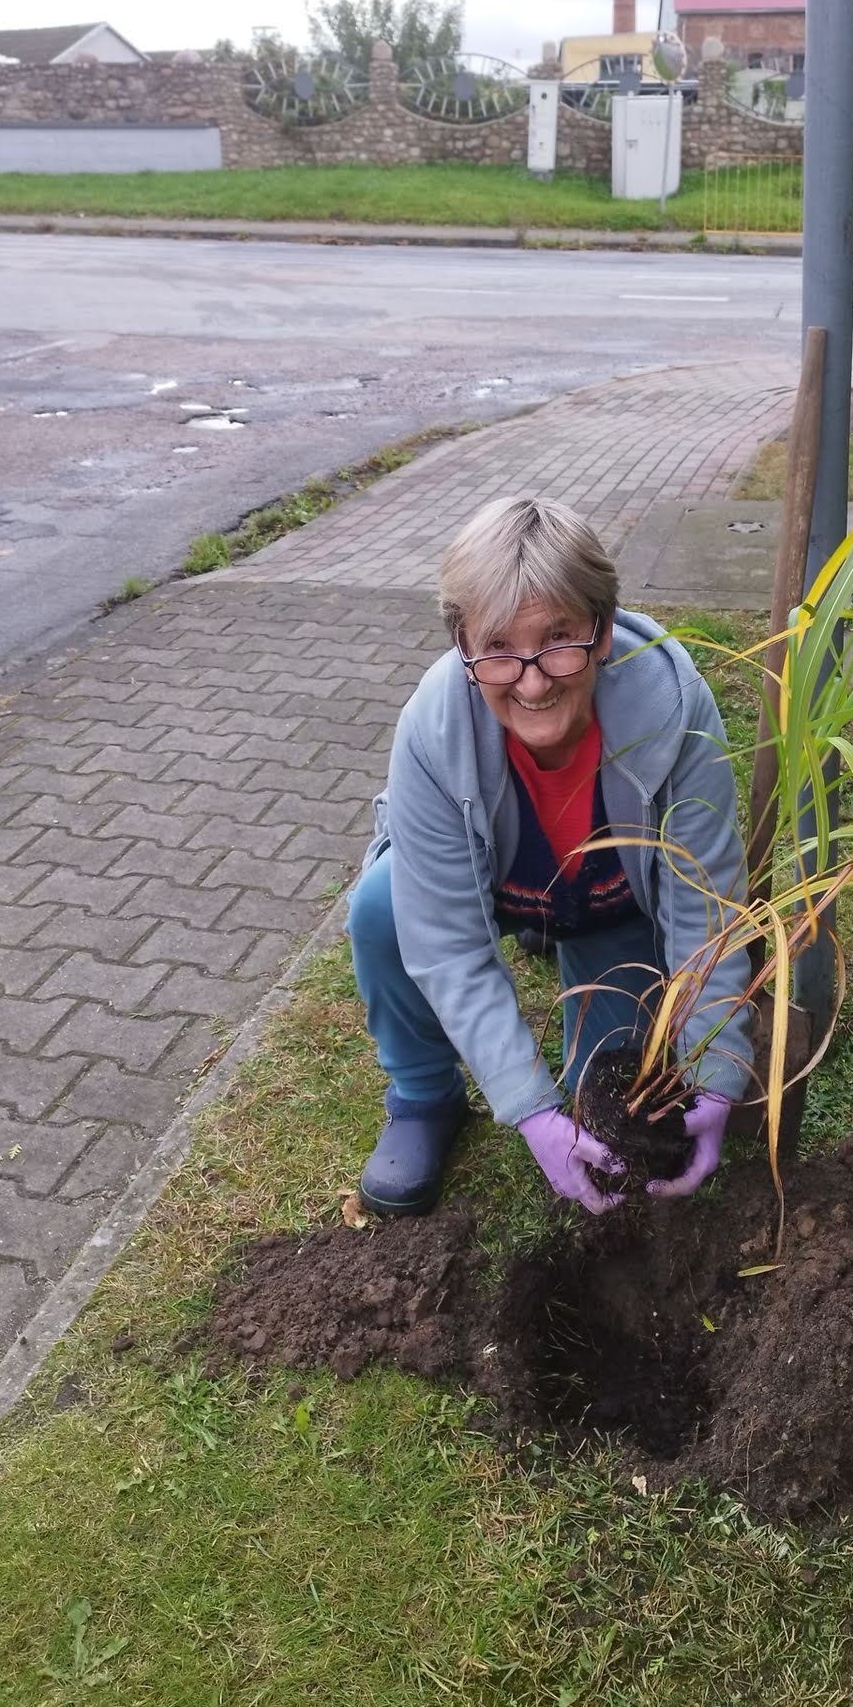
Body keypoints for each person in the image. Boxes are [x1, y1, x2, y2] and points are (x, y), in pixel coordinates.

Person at [348, 495, 753, 1218]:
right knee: (382, 911)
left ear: (602, 631)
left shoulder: (674, 703)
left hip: (612, 902)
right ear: (462, 643)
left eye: (559, 638)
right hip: (499, 880)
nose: (532, 682)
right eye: (498, 647)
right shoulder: (433, 730)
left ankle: (568, 940)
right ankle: (424, 1097)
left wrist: (718, 1076)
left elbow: (705, 907)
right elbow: (448, 947)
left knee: (611, 1094)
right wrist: (529, 1109)